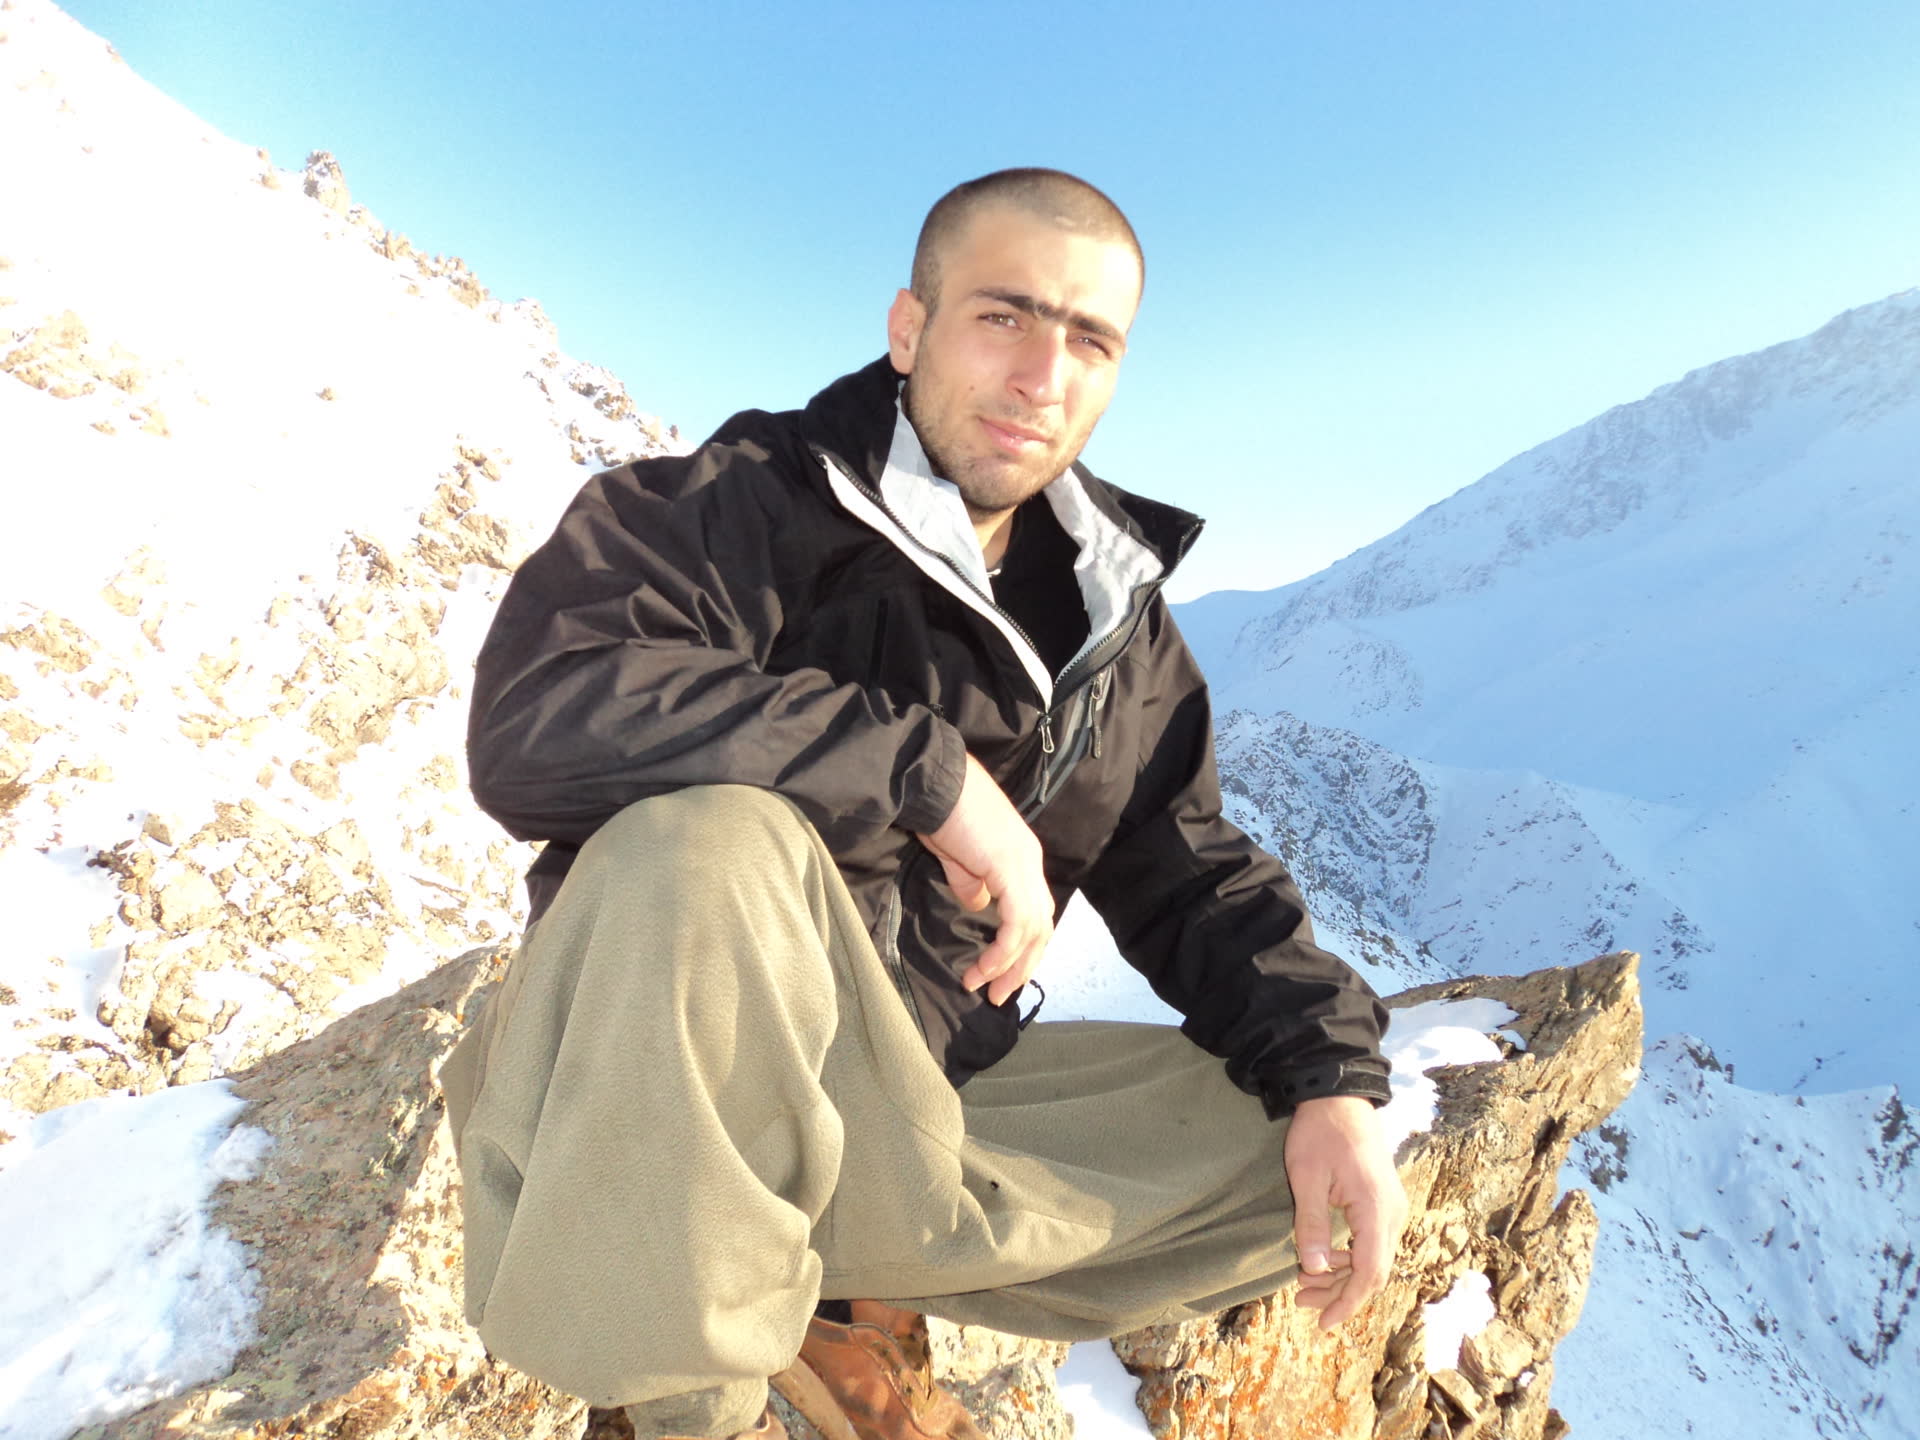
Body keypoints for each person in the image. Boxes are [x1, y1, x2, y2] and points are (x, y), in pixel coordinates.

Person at [442, 168, 1408, 1440]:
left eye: (1090, 340)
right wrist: (923, 773)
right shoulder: (740, 504)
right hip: (679, 1082)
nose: (1043, 375)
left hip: (915, 1105)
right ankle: (689, 1399)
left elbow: (1188, 863)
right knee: (705, 845)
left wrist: (1330, 1075)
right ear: (910, 329)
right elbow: (541, 712)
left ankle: (827, 1289)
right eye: (1005, 317)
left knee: (1299, 1157)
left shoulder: (1108, 611)